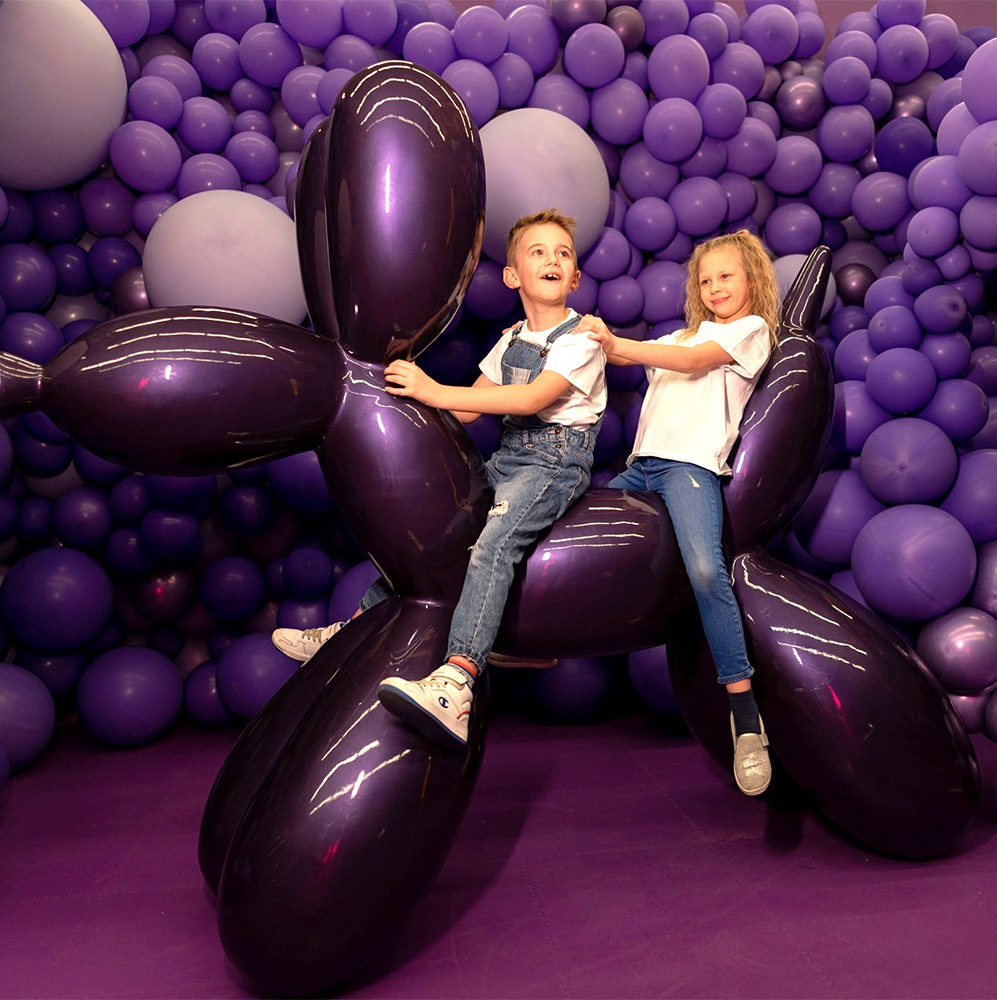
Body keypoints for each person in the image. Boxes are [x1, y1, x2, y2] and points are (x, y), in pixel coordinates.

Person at [272, 209, 607, 748]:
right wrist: (393, 401)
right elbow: (470, 411)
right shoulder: (513, 338)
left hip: (555, 461)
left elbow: (529, 399)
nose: (552, 259)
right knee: (441, 531)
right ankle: (354, 629)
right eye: (538, 251)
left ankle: (458, 681)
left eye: (563, 254)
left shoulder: (583, 338)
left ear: (575, 278)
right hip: (511, 454)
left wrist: (433, 390)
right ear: (512, 275)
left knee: (493, 545)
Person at [575, 229, 780, 796]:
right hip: (641, 468)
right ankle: (532, 648)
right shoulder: (677, 335)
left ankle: (745, 720)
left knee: (707, 572)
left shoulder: (751, 332)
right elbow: (650, 355)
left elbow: (690, 363)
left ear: (750, 280)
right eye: (706, 279)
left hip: (689, 469)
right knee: (564, 542)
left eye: (726, 276)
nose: (715, 287)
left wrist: (620, 346)